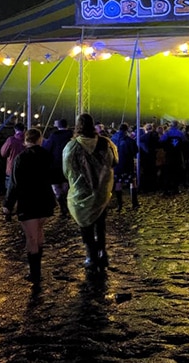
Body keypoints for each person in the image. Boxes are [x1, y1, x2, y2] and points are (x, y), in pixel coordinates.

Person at [63, 113, 118, 274]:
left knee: (85, 224)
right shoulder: (106, 143)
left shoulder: (72, 146)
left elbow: (67, 169)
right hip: (102, 190)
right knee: (100, 222)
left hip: (81, 191)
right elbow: (114, 161)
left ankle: (90, 254)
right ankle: (102, 251)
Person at [2, 128, 56, 289]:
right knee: (39, 233)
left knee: (31, 238)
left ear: (26, 140)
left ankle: (35, 273)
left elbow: (14, 183)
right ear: (39, 139)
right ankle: (37, 269)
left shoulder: (21, 158)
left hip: (29, 201)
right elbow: (53, 175)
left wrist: (8, 205)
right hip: (45, 200)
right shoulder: (47, 156)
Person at [42, 118, 73, 216]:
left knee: (56, 187)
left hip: (55, 165)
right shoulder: (72, 136)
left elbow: (46, 149)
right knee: (65, 185)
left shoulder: (53, 136)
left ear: (58, 126)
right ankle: (65, 204)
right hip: (68, 165)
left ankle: (62, 205)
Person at [111, 123, 139, 211]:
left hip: (117, 165)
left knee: (118, 184)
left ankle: (119, 205)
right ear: (127, 130)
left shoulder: (113, 139)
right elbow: (135, 151)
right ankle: (134, 203)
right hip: (128, 164)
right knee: (132, 182)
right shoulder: (130, 140)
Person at [0, 122, 26, 194]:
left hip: (12, 167)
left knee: (11, 189)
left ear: (15, 130)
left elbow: (3, 153)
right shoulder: (28, 140)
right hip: (25, 168)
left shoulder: (11, 140)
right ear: (24, 130)